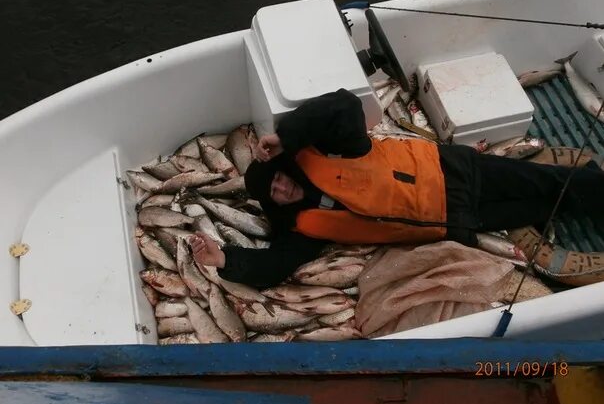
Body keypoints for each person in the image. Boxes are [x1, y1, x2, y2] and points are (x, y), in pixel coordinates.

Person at [190, 88, 604, 289]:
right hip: (455, 219)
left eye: (279, 179)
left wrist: (288, 135)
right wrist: (223, 257)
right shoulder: (301, 229)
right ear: (273, 205)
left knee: (553, 180)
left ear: (286, 169)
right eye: (274, 194)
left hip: (455, 172)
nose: (282, 190)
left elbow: (346, 106)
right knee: (548, 205)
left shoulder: (330, 151)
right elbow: (272, 267)